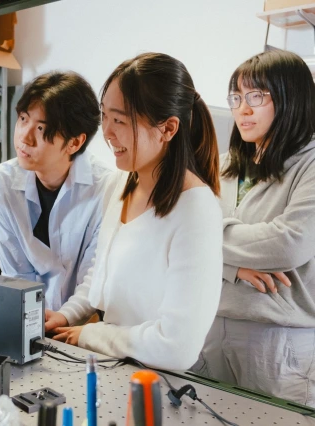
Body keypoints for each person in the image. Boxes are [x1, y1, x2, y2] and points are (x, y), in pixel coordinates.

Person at [45, 53, 223, 371]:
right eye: (105, 117)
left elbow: (177, 347)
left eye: (121, 121)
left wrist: (91, 335)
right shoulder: (123, 183)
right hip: (116, 365)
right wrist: (67, 315)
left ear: (168, 129)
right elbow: (101, 274)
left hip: (163, 380)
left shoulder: (196, 209)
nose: (108, 133)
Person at [193, 50, 315, 407]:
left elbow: (289, 243)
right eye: (236, 97)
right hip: (211, 328)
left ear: (292, 98)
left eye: (256, 97)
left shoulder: (309, 165)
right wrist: (235, 267)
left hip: (278, 342)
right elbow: (183, 236)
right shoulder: (229, 163)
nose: (242, 109)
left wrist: (210, 239)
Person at [0, 71, 112, 310]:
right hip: (25, 315)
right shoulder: (0, 182)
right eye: (23, 119)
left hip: (80, 322)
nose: (25, 137)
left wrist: (65, 318)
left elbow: (94, 276)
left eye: (41, 128)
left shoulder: (106, 187)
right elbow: (16, 273)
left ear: (74, 142)